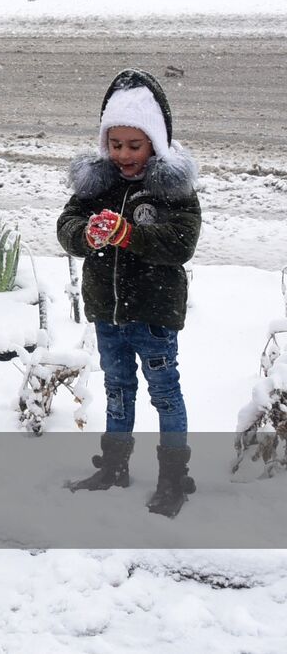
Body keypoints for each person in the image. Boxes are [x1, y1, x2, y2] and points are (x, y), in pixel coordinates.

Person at [57, 69, 201, 518]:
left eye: (133, 145)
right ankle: (114, 465)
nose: (122, 155)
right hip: (108, 312)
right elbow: (67, 228)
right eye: (114, 145)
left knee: (165, 394)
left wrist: (129, 235)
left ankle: (173, 477)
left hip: (154, 314)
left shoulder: (171, 189)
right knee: (118, 389)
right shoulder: (97, 185)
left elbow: (181, 243)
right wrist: (88, 236)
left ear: (154, 143)